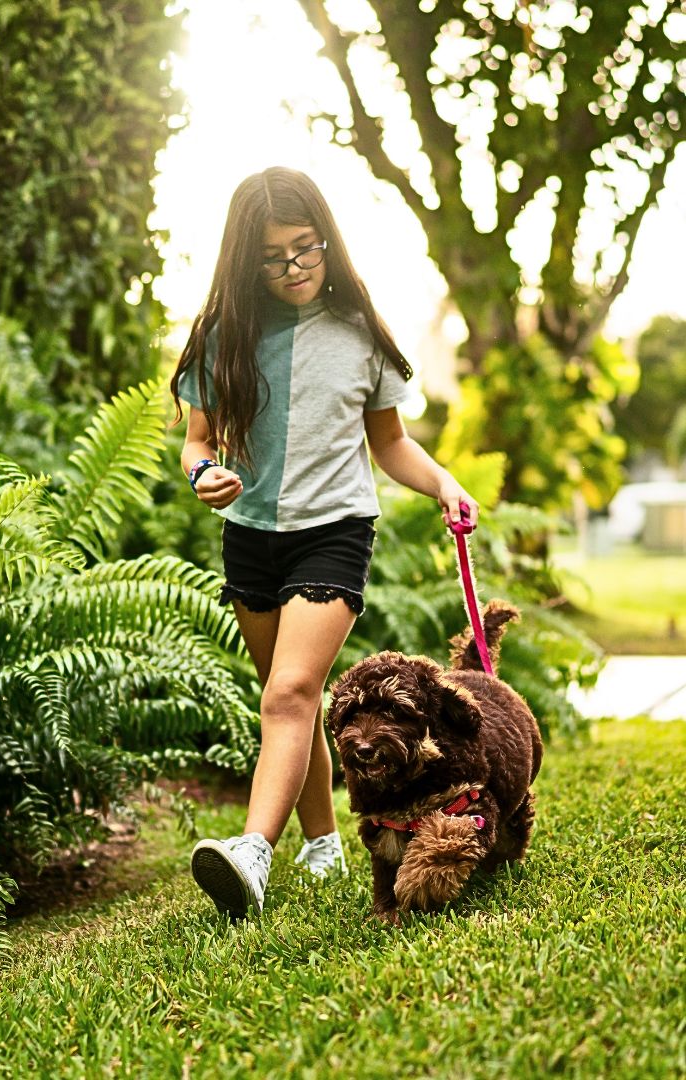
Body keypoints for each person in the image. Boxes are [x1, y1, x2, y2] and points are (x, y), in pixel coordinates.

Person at [170, 166, 478, 920]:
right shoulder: (223, 337)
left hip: (335, 531)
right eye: (275, 257)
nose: (296, 267)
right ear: (248, 262)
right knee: (287, 694)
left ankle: (251, 853)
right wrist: (205, 473)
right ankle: (323, 841)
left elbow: (391, 443)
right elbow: (195, 442)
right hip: (251, 538)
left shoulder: (358, 332)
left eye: (307, 249)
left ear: (327, 243)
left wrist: (442, 483)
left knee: (289, 690)